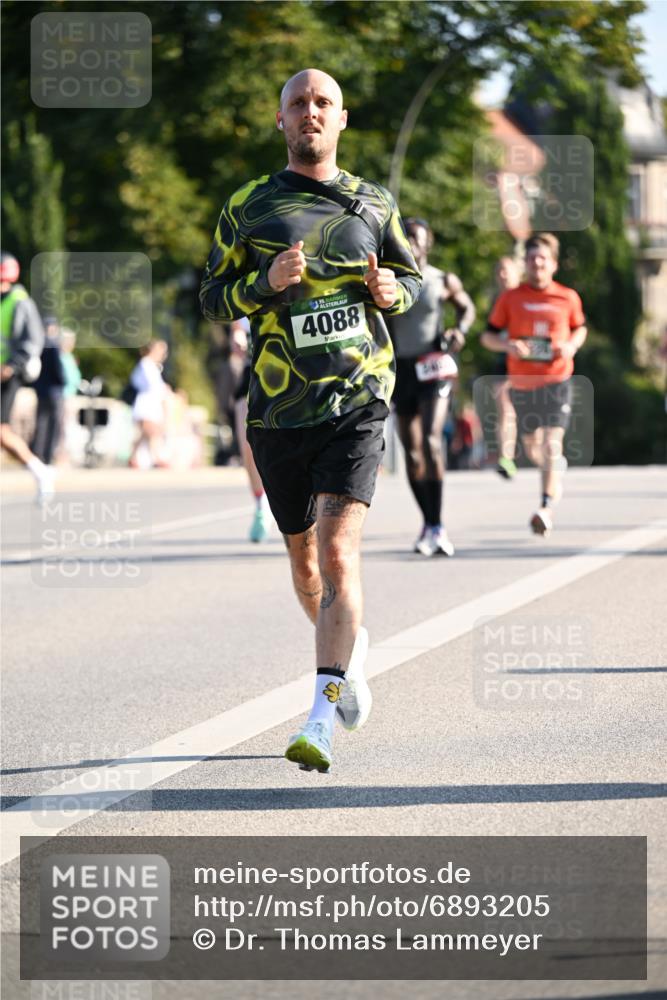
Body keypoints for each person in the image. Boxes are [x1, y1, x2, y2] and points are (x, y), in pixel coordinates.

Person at [200, 68, 421, 773]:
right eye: (298, 103)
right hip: (277, 412)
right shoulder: (248, 207)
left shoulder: (372, 202)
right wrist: (261, 283)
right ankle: (350, 653)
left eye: (323, 102)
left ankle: (319, 719)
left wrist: (390, 290)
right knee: (304, 567)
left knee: (336, 554)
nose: (310, 112)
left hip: (356, 400)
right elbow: (210, 298)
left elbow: (412, 280)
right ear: (281, 120)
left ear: (341, 118)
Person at [481, 233, 587, 535]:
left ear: (553, 264)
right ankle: (554, 473)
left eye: (542, 258)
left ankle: (545, 508)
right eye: (531, 258)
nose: (536, 263)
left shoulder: (567, 297)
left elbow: (580, 329)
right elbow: (488, 336)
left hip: (557, 380)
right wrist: (508, 346)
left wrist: (571, 346)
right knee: (533, 449)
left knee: (552, 444)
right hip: (523, 384)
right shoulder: (510, 298)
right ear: (525, 263)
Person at [386, 218, 475, 556]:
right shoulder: (390, 279)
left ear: (428, 243)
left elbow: (467, 307)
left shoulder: (441, 279)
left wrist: (459, 331)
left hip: (433, 366)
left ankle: (438, 526)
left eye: (417, 237)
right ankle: (428, 523)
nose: (411, 242)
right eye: (406, 237)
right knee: (412, 452)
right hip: (402, 370)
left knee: (431, 439)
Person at [0, 251, 53, 501]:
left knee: (2, 432)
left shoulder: (20, 301)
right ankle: (39, 470)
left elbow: (33, 340)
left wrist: (11, 366)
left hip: (8, 374)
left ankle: (40, 471)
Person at [229, 318, 273, 542]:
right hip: (253, 369)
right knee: (248, 444)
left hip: (291, 368)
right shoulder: (243, 302)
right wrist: (237, 341)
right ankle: (261, 504)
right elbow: (235, 335)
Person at [491, 256, 521, 480]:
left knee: (534, 429)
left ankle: (549, 456)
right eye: (499, 271)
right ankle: (506, 458)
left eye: (507, 270)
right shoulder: (497, 300)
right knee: (504, 408)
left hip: (530, 364)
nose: (502, 275)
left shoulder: (526, 297)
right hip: (504, 362)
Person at [128, 339, 171, 469]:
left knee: (144, 433)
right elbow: (152, 385)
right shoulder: (146, 363)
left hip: (150, 404)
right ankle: (157, 458)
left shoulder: (151, 365)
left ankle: (133, 458)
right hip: (146, 404)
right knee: (153, 432)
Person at [31, 316, 67, 465]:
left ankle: (37, 455)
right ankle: (48, 456)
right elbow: (58, 370)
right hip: (54, 391)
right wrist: (63, 382)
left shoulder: (38, 345)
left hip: (41, 390)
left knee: (41, 423)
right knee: (53, 425)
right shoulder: (53, 345)